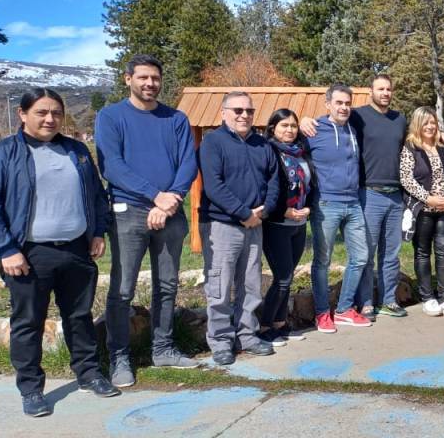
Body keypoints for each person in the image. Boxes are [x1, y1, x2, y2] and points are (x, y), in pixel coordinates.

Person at [0, 89, 119, 417]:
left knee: (79, 317)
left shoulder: (75, 150)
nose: (50, 119)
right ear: (22, 114)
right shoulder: (3, 154)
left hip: (76, 249)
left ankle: (89, 374)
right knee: (28, 322)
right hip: (28, 254)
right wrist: (6, 248)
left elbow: (96, 193)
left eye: (56, 113)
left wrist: (98, 231)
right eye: (41, 112)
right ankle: (31, 388)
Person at [96, 54, 199, 388]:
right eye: (142, 77)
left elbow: (188, 162)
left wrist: (171, 200)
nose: (150, 84)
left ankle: (164, 347)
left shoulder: (176, 118)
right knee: (122, 289)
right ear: (128, 79)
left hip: (171, 210)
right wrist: (155, 196)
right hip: (129, 212)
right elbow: (112, 166)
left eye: (155, 78)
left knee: (167, 285)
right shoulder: (111, 117)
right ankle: (119, 358)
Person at [300, 75, 409, 318]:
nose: (385, 93)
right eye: (380, 88)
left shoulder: (399, 119)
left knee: (387, 254)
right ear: (370, 91)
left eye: (389, 89)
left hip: (392, 195)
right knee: (363, 255)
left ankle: (388, 300)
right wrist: (303, 121)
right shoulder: (358, 116)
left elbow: (415, 141)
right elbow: (318, 126)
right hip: (365, 194)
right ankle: (365, 302)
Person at [198, 91, 280, 365]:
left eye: (248, 111)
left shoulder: (262, 145)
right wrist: (244, 213)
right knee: (219, 286)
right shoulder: (212, 142)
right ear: (223, 113)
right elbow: (214, 185)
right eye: (237, 110)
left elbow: (274, 181)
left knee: (251, 284)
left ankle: (247, 335)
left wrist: (262, 212)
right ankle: (221, 341)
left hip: (255, 224)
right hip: (222, 225)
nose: (244, 115)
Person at [308, 85, 371, 333]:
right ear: (327, 104)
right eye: (339, 103)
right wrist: (303, 121)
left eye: (347, 103)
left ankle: (344, 309)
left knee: (361, 257)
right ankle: (322, 313)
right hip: (326, 203)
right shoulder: (314, 130)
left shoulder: (353, 131)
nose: (344, 107)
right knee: (323, 260)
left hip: (353, 203)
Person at [260, 109, 317, 346]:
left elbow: (310, 183)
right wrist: (283, 210)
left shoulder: (301, 152)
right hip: (277, 223)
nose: (290, 130)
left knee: (288, 276)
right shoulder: (267, 151)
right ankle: (264, 327)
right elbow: (263, 186)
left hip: (299, 223)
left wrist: (309, 208)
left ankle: (281, 325)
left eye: (293, 126)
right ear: (273, 128)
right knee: (282, 277)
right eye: (284, 125)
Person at [400, 107, 444, 318]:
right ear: (418, 124)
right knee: (422, 253)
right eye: (425, 122)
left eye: (433, 122)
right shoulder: (411, 148)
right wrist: (429, 199)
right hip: (424, 210)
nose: (430, 126)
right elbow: (406, 179)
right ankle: (428, 298)